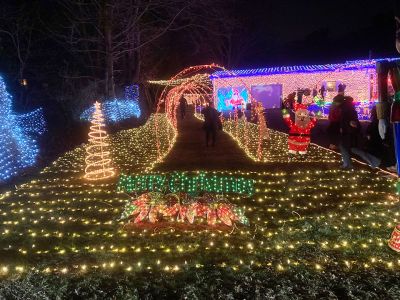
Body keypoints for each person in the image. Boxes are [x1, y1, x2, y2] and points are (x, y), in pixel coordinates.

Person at [338, 96, 360, 169]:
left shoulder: (346, 108)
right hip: (348, 130)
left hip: (347, 131)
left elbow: (346, 120)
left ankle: (347, 164)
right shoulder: (351, 108)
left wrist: (343, 127)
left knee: (345, 147)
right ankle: (347, 163)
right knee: (348, 147)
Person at [326, 84, 346, 149]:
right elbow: (337, 114)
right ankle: (334, 144)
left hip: (333, 120)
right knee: (335, 132)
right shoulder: (337, 105)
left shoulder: (334, 104)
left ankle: (333, 144)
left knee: (333, 132)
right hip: (335, 121)